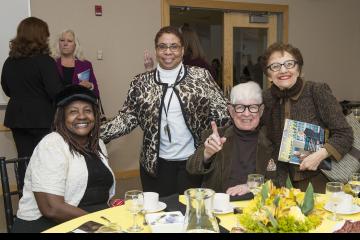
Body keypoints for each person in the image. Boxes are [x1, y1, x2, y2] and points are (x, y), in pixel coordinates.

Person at [101, 26, 230, 197]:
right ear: (156, 50)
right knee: (157, 216)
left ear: (182, 50)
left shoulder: (201, 77)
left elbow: (223, 112)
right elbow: (127, 118)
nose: (168, 51)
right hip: (155, 165)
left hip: (193, 162)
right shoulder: (141, 82)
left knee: (190, 213)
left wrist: (242, 119)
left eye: (174, 46)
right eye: (162, 46)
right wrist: (95, 133)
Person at [11, 85, 116, 233]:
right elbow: (51, 209)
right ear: (62, 117)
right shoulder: (51, 145)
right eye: (73, 111)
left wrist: (114, 204)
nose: (82, 116)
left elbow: (97, 188)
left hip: (89, 220)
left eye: (88, 110)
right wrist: (99, 225)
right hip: (50, 225)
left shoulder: (97, 143)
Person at [261, 42, 353, 193]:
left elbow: (345, 134)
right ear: (269, 75)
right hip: (279, 182)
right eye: (275, 66)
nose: (283, 70)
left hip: (317, 181)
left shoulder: (316, 91)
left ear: (298, 68)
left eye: (289, 64)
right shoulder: (266, 98)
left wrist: (319, 155)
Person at [1, 17, 64, 189]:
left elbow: (7, 90)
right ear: (39, 36)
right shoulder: (45, 61)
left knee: (24, 159)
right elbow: (55, 91)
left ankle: (25, 197)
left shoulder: (9, 62)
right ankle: (45, 199)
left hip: (17, 118)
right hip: (42, 118)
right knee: (44, 160)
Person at [187, 81, 273, 196]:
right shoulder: (217, 135)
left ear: (261, 111)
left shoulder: (271, 140)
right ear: (231, 111)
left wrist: (252, 186)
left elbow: (277, 180)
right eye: (240, 107)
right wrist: (207, 153)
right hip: (219, 207)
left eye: (253, 107)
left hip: (256, 208)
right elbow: (191, 168)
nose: (246, 114)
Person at [52, 29, 100, 96]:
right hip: (55, 105)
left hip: (78, 105)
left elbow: (96, 93)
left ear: (75, 45)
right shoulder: (51, 63)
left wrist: (90, 86)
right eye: (62, 40)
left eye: (69, 41)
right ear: (58, 43)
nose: (65, 44)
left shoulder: (85, 65)